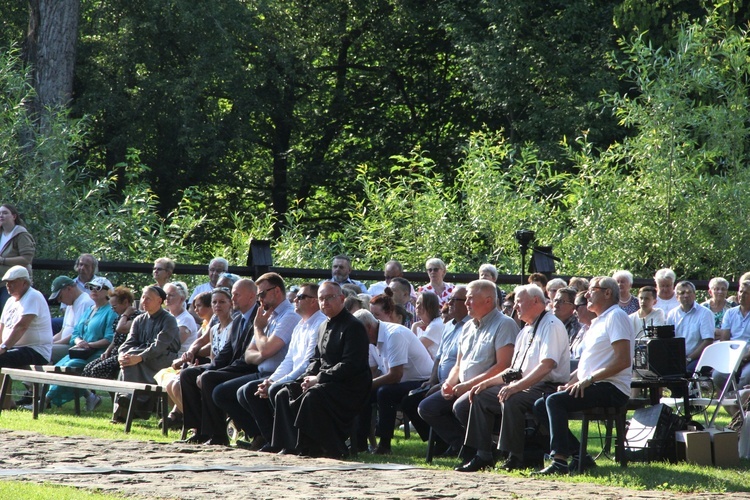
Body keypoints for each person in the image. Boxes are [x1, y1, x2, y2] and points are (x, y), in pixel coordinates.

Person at [457, 284, 569, 472]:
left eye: (518, 302)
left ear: (535, 301)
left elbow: (546, 366)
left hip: (547, 386)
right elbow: (514, 370)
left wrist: (516, 387)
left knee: (512, 398)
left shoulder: (551, 324)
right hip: (525, 384)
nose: (515, 307)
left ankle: (515, 457)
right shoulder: (525, 330)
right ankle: (483, 455)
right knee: (480, 395)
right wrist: (485, 384)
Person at [532, 276, 634, 475]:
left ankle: (559, 460)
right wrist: (571, 381)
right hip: (595, 384)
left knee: (554, 402)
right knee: (539, 405)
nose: (586, 294)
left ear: (607, 293)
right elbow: (588, 363)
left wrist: (589, 380)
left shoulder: (616, 316)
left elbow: (623, 360)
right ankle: (581, 456)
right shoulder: (597, 322)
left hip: (611, 387)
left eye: (592, 289)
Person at [418, 280, 519, 457]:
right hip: (462, 386)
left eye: (470, 298)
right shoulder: (467, 327)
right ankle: (463, 444)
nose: (466, 303)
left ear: (488, 300)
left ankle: (483, 449)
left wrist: (468, 385)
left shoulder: (504, 324)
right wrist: (449, 383)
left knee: (461, 406)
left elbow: (504, 365)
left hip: (489, 386)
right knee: (427, 407)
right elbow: (458, 364)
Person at [270, 281, 371, 458]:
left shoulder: (353, 326)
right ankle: (289, 445)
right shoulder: (323, 325)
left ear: (341, 298)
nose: (325, 303)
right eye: (321, 299)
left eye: (329, 298)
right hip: (326, 381)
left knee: (313, 396)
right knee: (284, 393)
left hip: (349, 386)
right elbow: (316, 360)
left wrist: (319, 379)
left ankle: (327, 447)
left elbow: (351, 365)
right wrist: (306, 378)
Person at [218, 272, 300, 448]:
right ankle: (261, 436)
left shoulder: (289, 315)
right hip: (261, 370)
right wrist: (263, 351)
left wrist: (258, 329)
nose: (259, 299)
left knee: (246, 391)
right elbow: (249, 354)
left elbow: (267, 348)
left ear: (276, 291)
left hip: (278, 372)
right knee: (222, 392)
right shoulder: (267, 315)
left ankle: (272, 440)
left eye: (262, 294)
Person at [241, 283, 326, 452]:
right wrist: (271, 379)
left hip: (309, 376)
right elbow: (289, 360)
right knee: (250, 390)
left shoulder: (319, 324)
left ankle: (290, 443)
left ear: (314, 301)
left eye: (301, 297)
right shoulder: (301, 325)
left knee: (276, 390)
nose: (295, 299)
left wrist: (276, 382)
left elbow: (307, 363)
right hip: (294, 373)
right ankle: (272, 440)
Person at [179, 279, 258, 444]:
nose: (234, 298)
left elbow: (246, 357)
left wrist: (212, 372)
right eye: (233, 294)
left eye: (236, 295)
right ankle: (199, 430)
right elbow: (226, 352)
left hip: (247, 369)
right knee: (188, 374)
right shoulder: (239, 320)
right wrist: (209, 367)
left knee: (208, 378)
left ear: (251, 297)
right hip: (231, 366)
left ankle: (217, 435)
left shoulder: (256, 319)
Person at [354, 309, 433, 454]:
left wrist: (365, 386)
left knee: (385, 392)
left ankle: (384, 444)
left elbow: (395, 375)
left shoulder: (394, 334)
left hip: (423, 381)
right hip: (402, 382)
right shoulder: (371, 340)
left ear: (368, 328)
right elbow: (372, 372)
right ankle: (359, 444)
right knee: (362, 394)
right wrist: (361, 386)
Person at [401, 287, 469, 444]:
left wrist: (443, 384)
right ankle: (440, 443)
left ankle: (458, 443)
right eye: (449, 298)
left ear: (466, 303)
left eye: (454, 300)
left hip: (456, 383)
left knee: (425, 405)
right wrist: (432, 380)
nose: (449, 302)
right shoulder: (449, 326)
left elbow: (463, 363)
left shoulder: (470, 326)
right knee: (410, 400)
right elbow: (439, 357)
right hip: (440, 381)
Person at [45, 277, 118, 408]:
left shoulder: (111, 311)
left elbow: (109, 339)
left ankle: (45, 400)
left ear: (108, 292)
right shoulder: (89, 309)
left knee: (71, 366)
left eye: (98, 288)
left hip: (98, 353)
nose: (93, 290)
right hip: (81, 351)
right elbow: (76, 333)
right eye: (91, 287)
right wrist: (79, 341)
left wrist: (89, 345)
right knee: (59, 366)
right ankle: (90, 397)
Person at [112, 285, 180, 423]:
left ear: (159, 301)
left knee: (131, 362)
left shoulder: (169, 320)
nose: (144, 301)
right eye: (143, 297)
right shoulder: (139, 320)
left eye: (148, 298)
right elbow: (128, 343)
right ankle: (129, 402)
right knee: (127, 359)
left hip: (162, 359)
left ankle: (129, 401)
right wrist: (122, 355)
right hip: (141, 358)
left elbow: (160, 346)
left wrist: (139, 357)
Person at [163, 290, 229, 430]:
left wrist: (192, 356)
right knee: (181, 377)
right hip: (209, 363)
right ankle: (197, 427)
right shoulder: (214, 324)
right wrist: (191, 353)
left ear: (231, 304)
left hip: (224, 366)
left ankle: (207, 427)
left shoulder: (234, 324)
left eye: (222, 302)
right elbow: (200, 340)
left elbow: (217, 350)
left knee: (198, 377)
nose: (217, 305)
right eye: (214, 302)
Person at [81, 287, 140, 381]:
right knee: (88, 368)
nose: (112, 309)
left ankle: (115, 393)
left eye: (115, 307)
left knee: (97, 370)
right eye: (111, 307)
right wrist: (107, 351)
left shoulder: (137, 317)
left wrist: (126, 314)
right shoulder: (119, 318)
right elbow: (115, 338)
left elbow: (121, 328)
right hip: (114, 352)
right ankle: (92, 395)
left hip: (125, 353)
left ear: (125, 302)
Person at [0, 266, 52, 367]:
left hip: (35, 351)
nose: (8, 285)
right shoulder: (10, 301)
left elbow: (21, 327)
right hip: (14, 348)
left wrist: (4, 347)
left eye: (12, 282)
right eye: (7, 282)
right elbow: (2, 327)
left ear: (24, 282)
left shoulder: (33, 296)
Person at [666, 281, 714, 374]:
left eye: (689, 292)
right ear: (676, 297)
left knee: (684, 373)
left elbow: (708, 341)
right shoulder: (672, 314)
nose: (686, 295)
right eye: (682, 293)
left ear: (694, 295)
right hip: (678, 357)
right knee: (661, 372)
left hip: (700, 357)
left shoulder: (705, 313)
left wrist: (688, 358)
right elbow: (669, 339)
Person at [713, 280, 750, 390]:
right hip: (733, 355)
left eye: (746, 293)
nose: (741, 295)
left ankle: (740, 403)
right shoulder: (730, 313)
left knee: (746, 376)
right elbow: (724, 340)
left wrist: (744, 357)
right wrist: (733, 356)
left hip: (748, 356)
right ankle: (734, 402)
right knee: (718, 375)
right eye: (740, 292)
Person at [49, 275, 94, 363]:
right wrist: (49, 341)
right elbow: (62, 331)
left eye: (60, 296)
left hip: (75, 346)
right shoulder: (70, 304)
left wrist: (54, 344)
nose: (59, 301)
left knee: (46, 352)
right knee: (39, 349)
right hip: (63, 344)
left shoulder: (86, 302)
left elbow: (78, 334)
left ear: (69, 289)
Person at [0, 204, 35, 312]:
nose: (1, 215)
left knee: (10, 314)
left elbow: (27, 258)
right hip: (1, 281)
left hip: (15, 284)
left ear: (14, 216)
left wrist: (3, 260)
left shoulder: (21, 234)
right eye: (0, 213)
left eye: (5, 213)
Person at [163, 282, 198, 356]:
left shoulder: (186, 319)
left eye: (171, 295)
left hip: (178, 359)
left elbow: (173, 344)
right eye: (166, 294)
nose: (167, 297)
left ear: (182, 298)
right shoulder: (165, 316)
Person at [412, 292, 443, 358]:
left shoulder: (436, 324)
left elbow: (414, 348)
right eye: (417, 303)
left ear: (431, 307)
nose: (418, 306)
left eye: (422, 304)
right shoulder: (420, 325)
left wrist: (414, 326)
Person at [569, 292, 596, 370]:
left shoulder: (599, 329)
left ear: (588, 305)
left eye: (577, 307)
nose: (574, 311)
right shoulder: (583, 329)